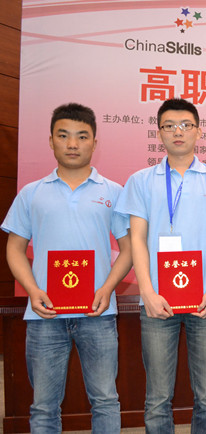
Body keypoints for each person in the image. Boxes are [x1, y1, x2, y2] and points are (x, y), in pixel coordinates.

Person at [1, 103, 132, 433]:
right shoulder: (32, 193)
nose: (72, 144)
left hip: (98, 313)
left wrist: (107, 288)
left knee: (105, 400)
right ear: (51, 141)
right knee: (43, 406)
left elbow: (130, 250)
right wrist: (33, 290)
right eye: (63, 136)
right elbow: (14, 249)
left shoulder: (114, 192)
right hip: (45, 314)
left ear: (94, 143)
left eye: (82, 136)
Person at [115, 98, 206, 433]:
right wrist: (147, 292)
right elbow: (137, 239)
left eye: (186, 125)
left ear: (199, 131)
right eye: (169, 126)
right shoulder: (141, 180)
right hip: (157, 301)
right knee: (157, 397)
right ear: (159, 133)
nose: (178, 132)